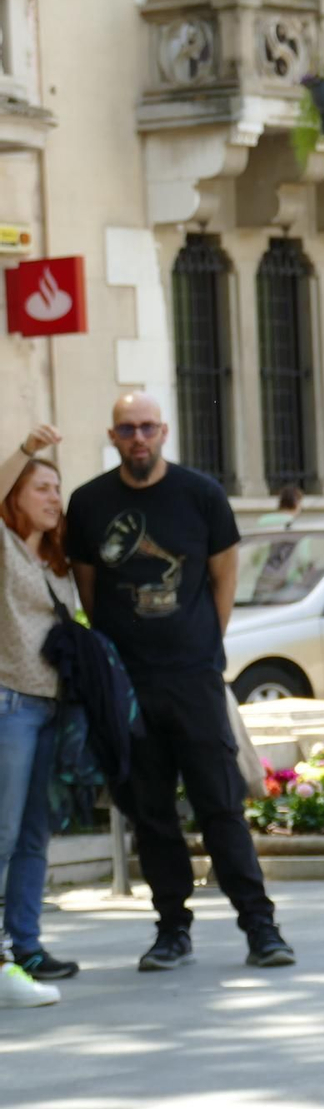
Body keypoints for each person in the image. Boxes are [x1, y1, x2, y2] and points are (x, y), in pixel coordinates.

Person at [66, 394, 293, 972]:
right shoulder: (89, 503)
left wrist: (199, 648)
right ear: (113, 436)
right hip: (129, 686)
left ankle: (261, 928)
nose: (138, 437)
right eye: (126, 429)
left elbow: (223, 579)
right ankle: (171, 929)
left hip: (192, 678)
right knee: (151, 814)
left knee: (220, 806)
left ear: (163, 430)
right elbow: (88, 590)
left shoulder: (201, 494)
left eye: (147, 427)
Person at [1, 424, 81, 1005]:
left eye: (58, 488)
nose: (54, 498)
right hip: (9, 704)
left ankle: (25, 945)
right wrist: (26, 450)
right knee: (1, 834)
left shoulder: (60, 563)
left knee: (33, 835)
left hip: (52, 709)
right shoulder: (3, 548)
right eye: (41, 488)